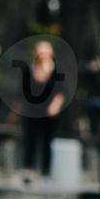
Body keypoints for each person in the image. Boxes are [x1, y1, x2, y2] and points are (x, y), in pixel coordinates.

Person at [20, 40, 66, 183]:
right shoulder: (30, 68)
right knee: (30, 140)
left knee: (48, 141)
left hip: (49, 112)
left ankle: (46, 171)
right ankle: (29, 170)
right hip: (32, 110)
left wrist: (55, 105)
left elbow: (62, 91)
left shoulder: (57, 70)